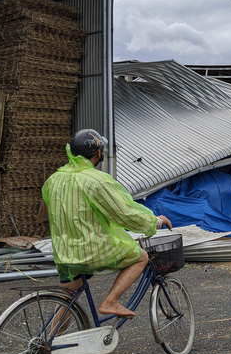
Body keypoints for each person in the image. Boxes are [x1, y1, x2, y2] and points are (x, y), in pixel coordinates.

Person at [42, 129, 173, 320]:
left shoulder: (54, 180)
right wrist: (156, 222)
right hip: (92, 250)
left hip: (65, 253)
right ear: (98, 153)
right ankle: (111, 301)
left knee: (67, 299)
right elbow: (124, 214)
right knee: (141, 257)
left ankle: (46, 343)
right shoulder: (96, 180)